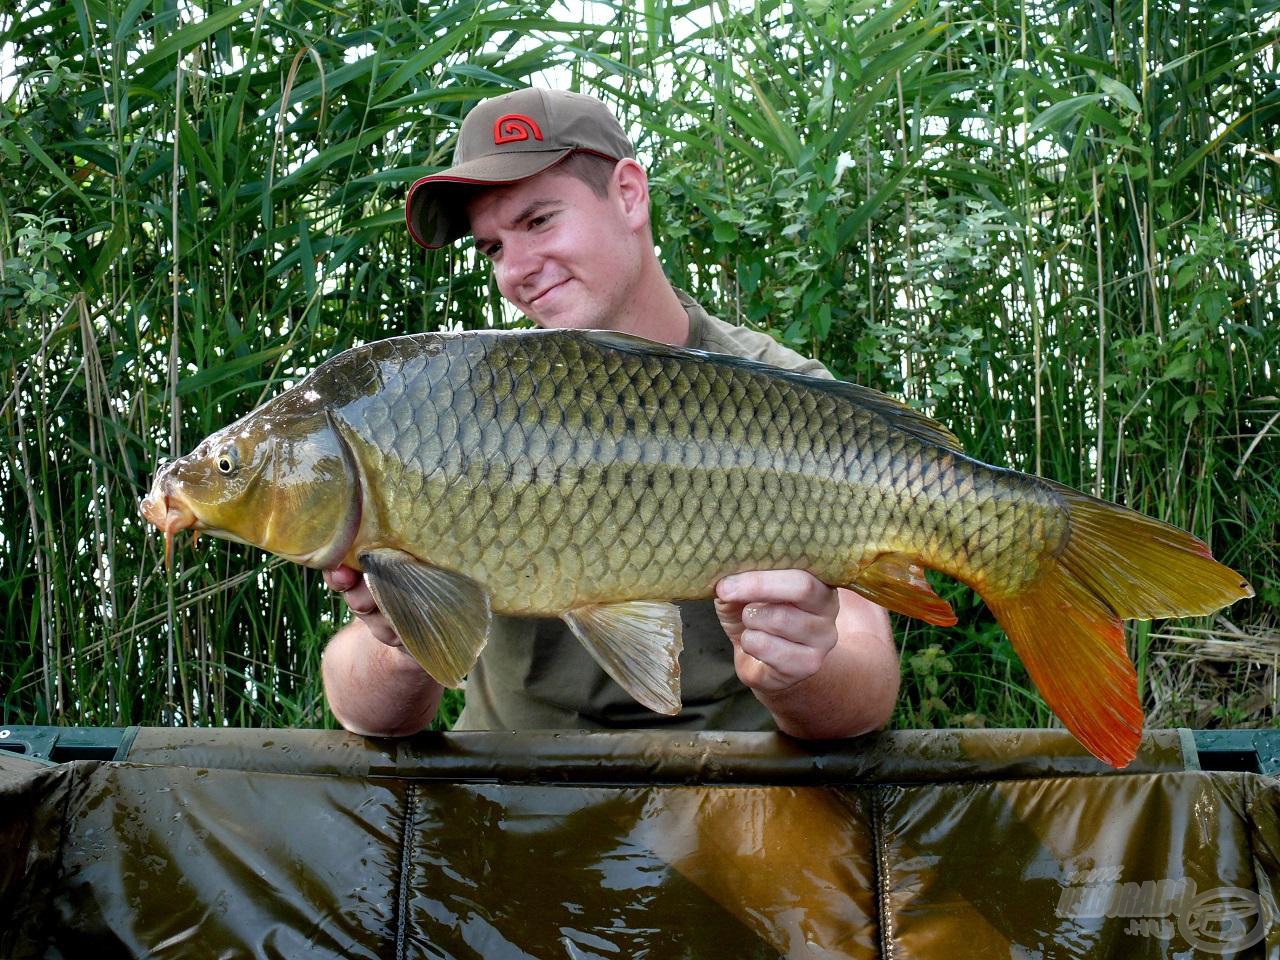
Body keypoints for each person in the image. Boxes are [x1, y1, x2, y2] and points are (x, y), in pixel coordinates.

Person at [320, 88, 899, 739]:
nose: (518, 270)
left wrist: (801, 674)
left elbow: (867, 687)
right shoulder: (462, 407)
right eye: (492, 249)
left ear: (628, 195)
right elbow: (360, 707)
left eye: (538, 222)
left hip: (739, 794)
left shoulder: (789, 400)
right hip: (516, 797)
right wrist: (402, 642)